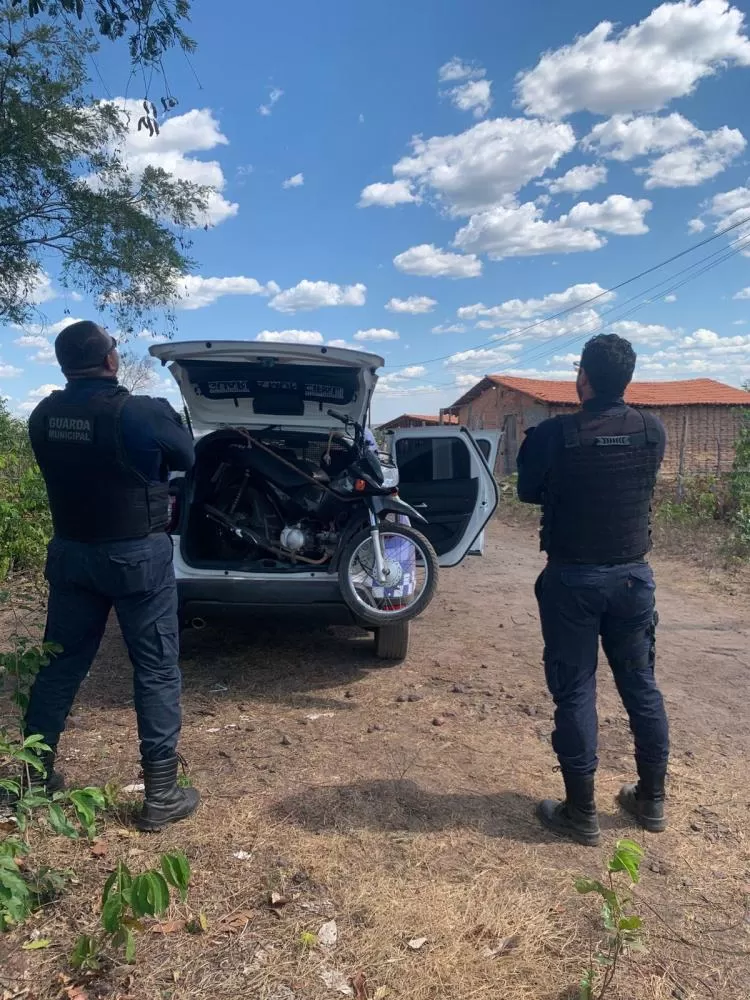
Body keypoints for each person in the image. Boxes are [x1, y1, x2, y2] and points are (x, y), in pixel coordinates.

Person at [26, 320, 199, 832]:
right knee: (155, 669)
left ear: (64, 366)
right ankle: (161, 794)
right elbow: (187, 457)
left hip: (72, 556)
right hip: (136, 560)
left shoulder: (42, 415)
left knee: (58, 668)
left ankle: (32, 781)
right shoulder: (140, 411)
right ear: (109, 361)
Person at [517, 333, 669, 847]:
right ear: (628, 378)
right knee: (641, 685)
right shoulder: (654, 430)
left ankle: (581, 814)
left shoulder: (554, 434)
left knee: (576, 688)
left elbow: (527, 491)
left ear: (582, 376)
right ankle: (650, 800)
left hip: (573, 581)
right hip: (632, 578)